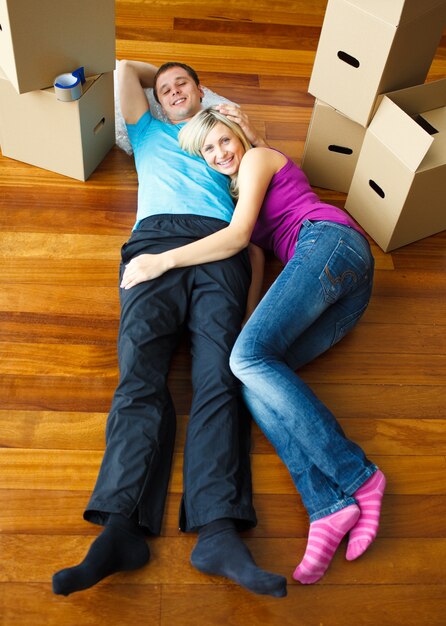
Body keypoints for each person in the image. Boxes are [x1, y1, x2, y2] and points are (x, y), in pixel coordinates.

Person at [119, 106, 387, 585]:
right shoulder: (240, 192)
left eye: (225, 140)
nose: (220, 153)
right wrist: (246, 333)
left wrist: (161, 262)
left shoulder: (260, 158)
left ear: (240, 135)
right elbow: (255, 261)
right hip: (347, 294)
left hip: (329, 242)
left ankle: (358, 476)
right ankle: (327, 507)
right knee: (246, 377)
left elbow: (237, 236)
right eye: (209, 149)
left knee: (245, 359)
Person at [52, 62, 287, 598]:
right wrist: (154, 72)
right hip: (152, 245)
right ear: (156, 100)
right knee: (139, 378)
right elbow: (122, 72)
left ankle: (219, 531)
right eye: (164, 88)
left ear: (202, 91)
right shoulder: (149, 129)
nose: (173, 91)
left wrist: (236, 121)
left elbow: (249, 232)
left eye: (182, 83)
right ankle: (119, 528)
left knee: (219, 380)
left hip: (216, 248)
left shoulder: (225, 146)